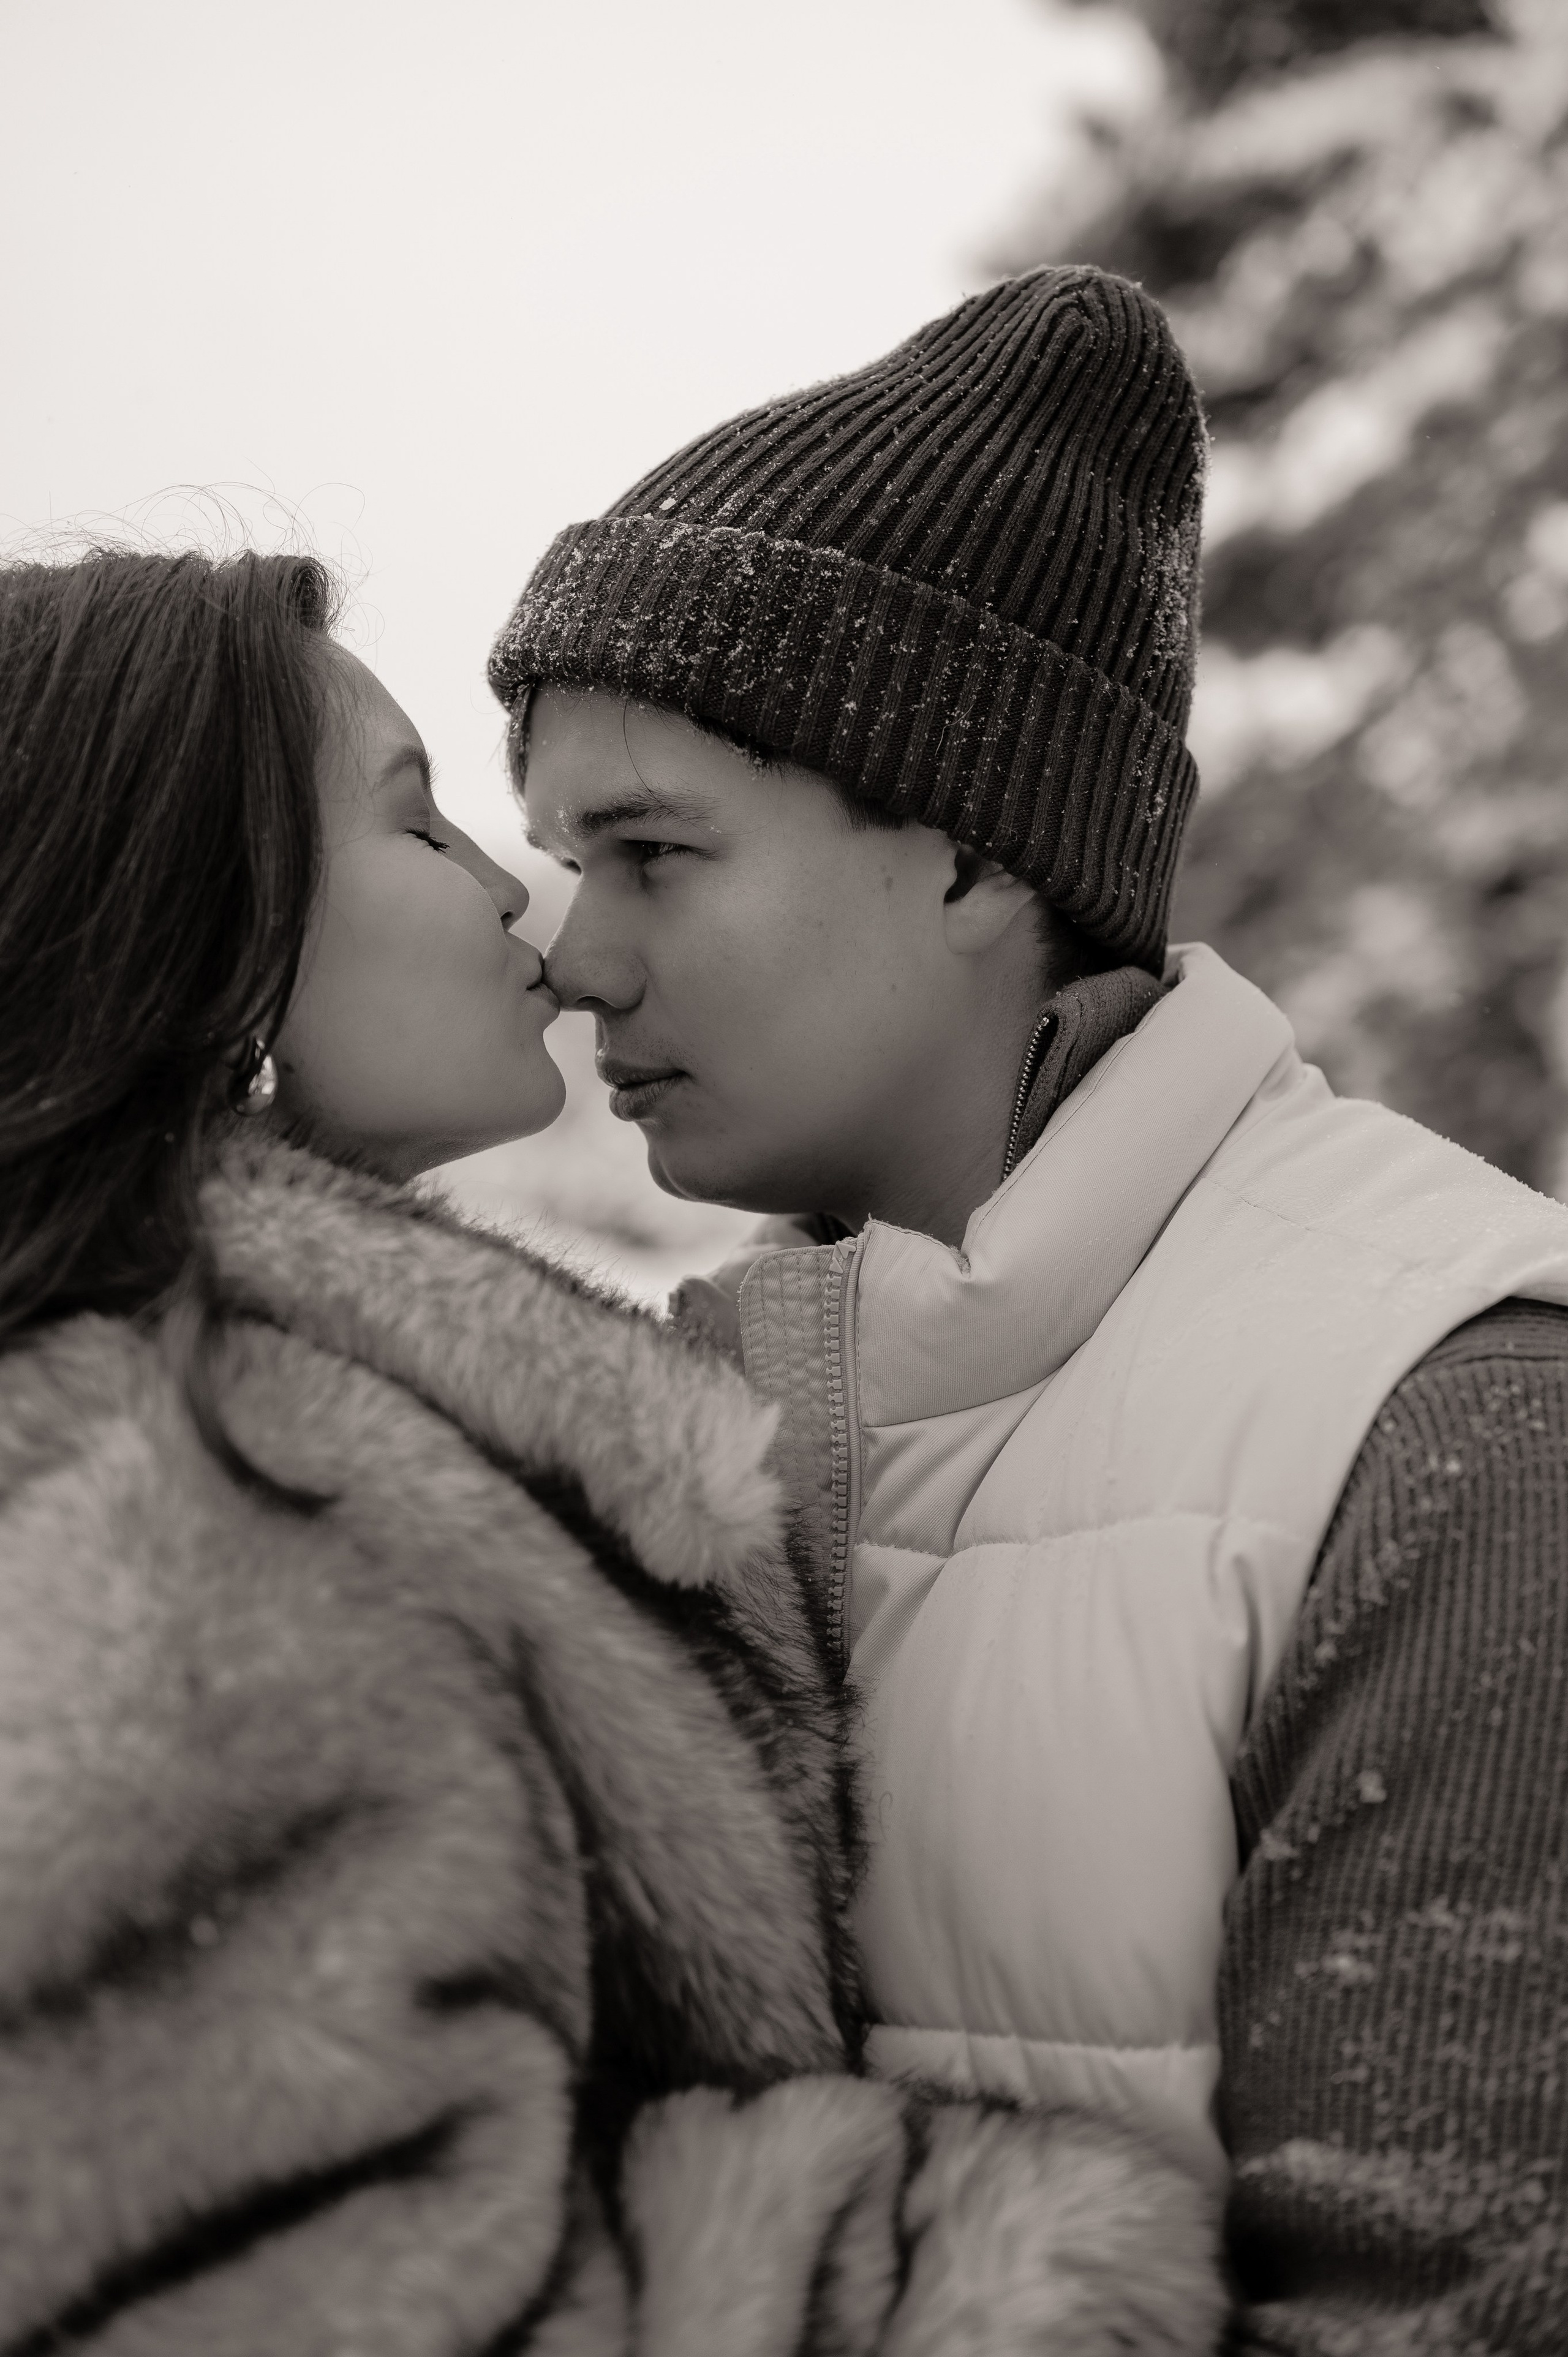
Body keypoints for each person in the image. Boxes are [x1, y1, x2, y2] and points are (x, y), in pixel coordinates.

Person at [491, 263, 1568, 2343]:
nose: (575, 959)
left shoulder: (1447, 1426)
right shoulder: (704, 1400)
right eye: (559, 860)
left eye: (652, 851)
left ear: (980, 852)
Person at [0, 545, 1221, 2354]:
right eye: (423, 830)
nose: (538, 921)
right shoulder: (180, 1520)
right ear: (202, 918)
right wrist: (985, 2276)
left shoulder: (309, 1425)